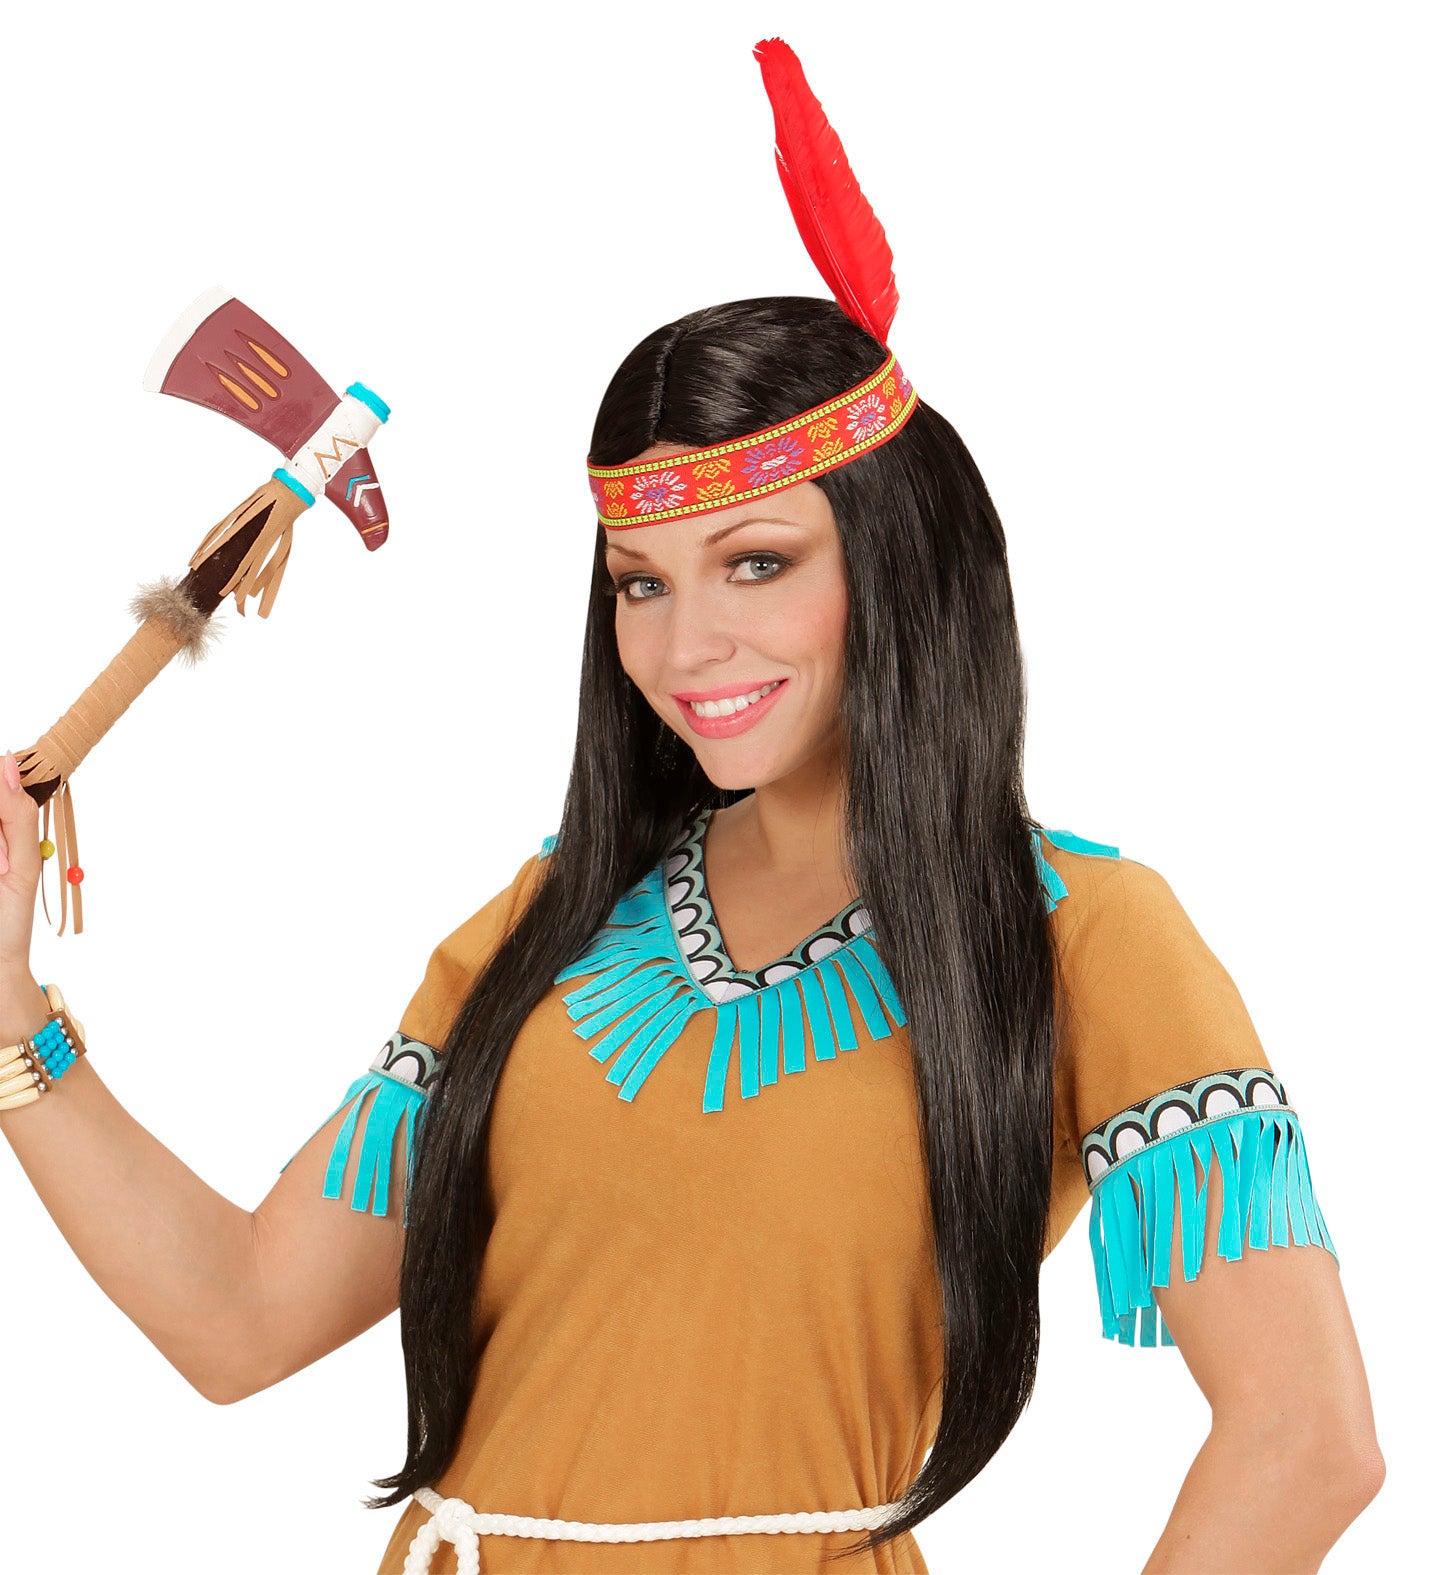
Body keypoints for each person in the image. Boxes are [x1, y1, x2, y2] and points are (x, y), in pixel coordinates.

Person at [0, 44, 1384, 1575]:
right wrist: (11, 1001)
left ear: (897, 560)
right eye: (640, 585)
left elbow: (1304, 1437)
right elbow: (241, 1318)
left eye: (758, 564)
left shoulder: (1082, 932)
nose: (683, 648)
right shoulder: (553, 920)